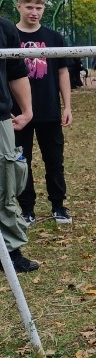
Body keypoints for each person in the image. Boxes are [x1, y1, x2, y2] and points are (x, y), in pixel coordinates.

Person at [13, 0, 73, 225]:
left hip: (49, 110)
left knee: (54, 161)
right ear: (19, 6)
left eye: (38, 8)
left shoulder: (54, 37)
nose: (34, 12)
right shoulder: (9, 36)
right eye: (29, 7)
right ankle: (26, 210)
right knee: (21, 163)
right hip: (18, 114)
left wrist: (67, 106)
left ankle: (58, 206)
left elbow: (62, 72)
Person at [0, 15, 37, 273]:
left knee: (5, 183)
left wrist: (27, 110)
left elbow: (16, 72)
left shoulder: (4, 28)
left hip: (0, 118)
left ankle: (9, 251)